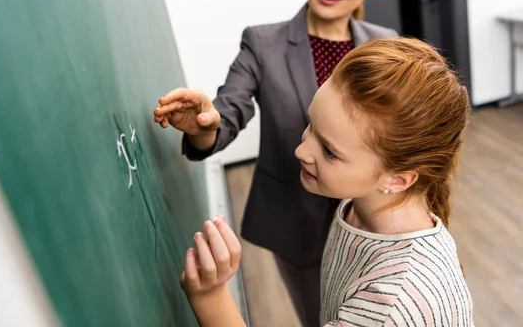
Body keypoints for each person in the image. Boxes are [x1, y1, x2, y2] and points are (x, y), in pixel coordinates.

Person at [153, 0, 401, 325]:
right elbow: (227, 112)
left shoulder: (385, 44)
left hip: (371, 227)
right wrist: (202, 124)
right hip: (296, 224)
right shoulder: (262, 43)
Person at [178, 37, 475, 327]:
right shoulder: (357, 207)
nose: (301, 151)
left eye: (330, 152)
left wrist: (210, 297)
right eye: (311, 125)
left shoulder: (391, 304)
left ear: (398, 179)